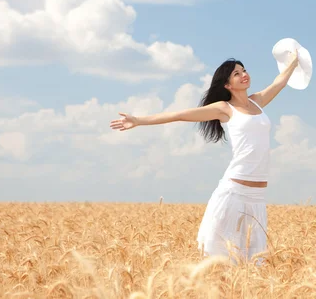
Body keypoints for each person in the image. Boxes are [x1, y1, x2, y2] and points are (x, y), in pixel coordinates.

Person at [109, 52, 300, 264]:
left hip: (257, 197)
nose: (244, 75)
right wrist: (138, 120)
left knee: (253, 262)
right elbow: (180, 114)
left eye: (244, 70)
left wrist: (294, 61)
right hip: (234, 192)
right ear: (227, 85)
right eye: (237, 73)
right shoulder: (224, 109)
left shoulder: (257, 102)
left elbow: (279, 82)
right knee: (221, 257)